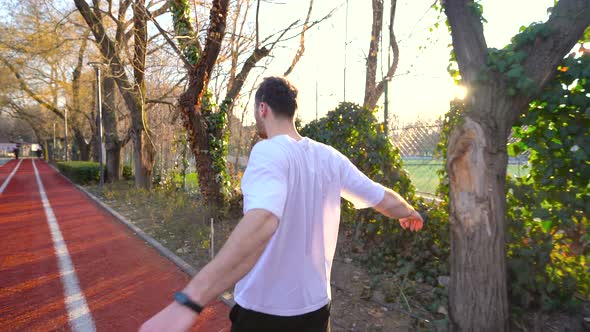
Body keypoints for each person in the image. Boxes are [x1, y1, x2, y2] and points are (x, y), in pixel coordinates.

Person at [140, 77, 424, 332]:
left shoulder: (268, 151)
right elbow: (382, 197)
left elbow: (263, 220)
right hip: (316, 310)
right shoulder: (330, 157)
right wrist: (408, 211)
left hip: (265, 314)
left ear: (262, 109)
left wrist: (189, 301)